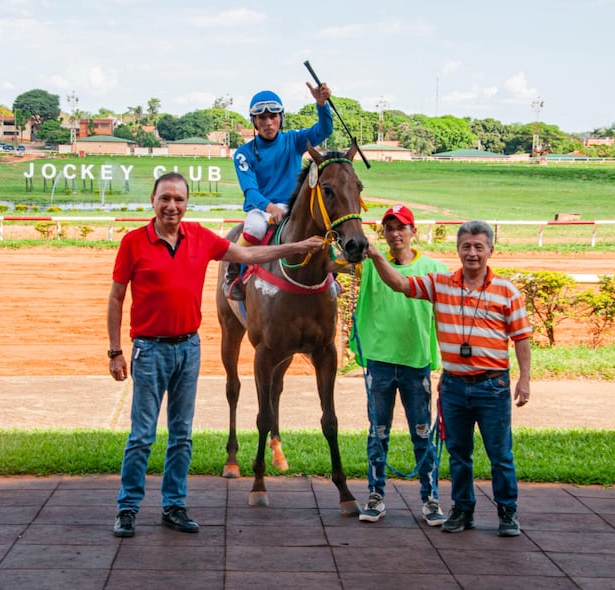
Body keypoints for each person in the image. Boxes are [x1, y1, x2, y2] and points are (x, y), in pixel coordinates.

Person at [108, 172, 324, 538]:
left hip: (188, 349)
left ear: (186, 203)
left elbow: (249, 253)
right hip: (149, 349)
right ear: (153, 200)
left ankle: (174, 505)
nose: (171, 206)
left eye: (178, 199)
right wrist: (115, 350)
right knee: (142, 435)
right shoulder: (133, 242)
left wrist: (294, 247)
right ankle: (127, 508)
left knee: (181, 435)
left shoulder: (200, 237)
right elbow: (116, 297)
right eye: (165, 198)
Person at [365, 219, 531, 537]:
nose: (472, 253)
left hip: (492, 385)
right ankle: (462, 510)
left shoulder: (506, 291)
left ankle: (507, 511)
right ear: (457, 250)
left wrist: (524, 379)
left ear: (490, 251)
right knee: (458, 454)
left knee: (500, 454)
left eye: (479, 247)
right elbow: (401, 284)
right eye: (466, 247)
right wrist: (375, 256)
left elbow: (521, 338)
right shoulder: (441, 284)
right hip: (454, 385)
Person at [352, 205, 449, 526]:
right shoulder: (368, 268)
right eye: (389, 228)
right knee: (378, 433)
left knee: (422, 432)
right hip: (379, 363)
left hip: (416, 363)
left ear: (413, 231)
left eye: (401, 227)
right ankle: (375, 495)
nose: (395, 233)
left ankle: (430, 497)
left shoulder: (434, 269)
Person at [224, 82, 333, 300]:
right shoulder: (243, 154)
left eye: (273, 116)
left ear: (281, 118)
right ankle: (233, 273)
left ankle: (331, 277)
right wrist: (270, 207)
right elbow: (250, 191)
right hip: (262, 209)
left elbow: (324, 130)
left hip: (294, 207)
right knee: (254, 228)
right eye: (262, 118)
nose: (268, 122)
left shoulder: (294, 140)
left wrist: (322, 104)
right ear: (254, 121)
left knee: (321, 226)